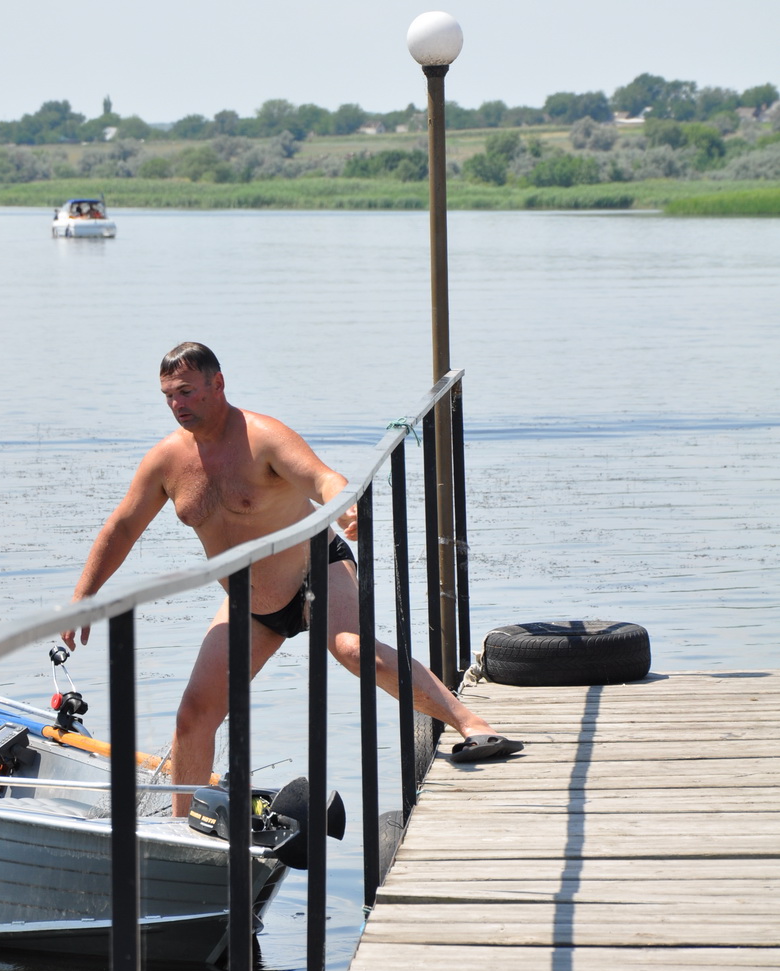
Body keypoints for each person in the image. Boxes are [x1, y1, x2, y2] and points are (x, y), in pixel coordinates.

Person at [61, 342, 521, 814]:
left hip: (315, 571)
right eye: (168, 396)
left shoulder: (262, 437)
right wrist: (84, 596)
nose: (177, 404)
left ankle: (472, 725)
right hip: (251, 603)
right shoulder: (165, 461)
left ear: (217, 384)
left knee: (353, 649)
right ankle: (181, 833)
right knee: (193, 714)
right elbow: (122, 528)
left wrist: (345, 508)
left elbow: (323, 479)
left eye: (186, 391)